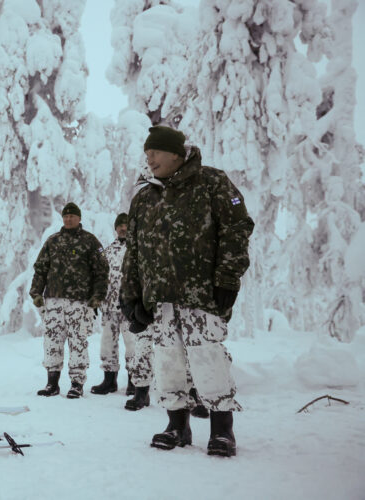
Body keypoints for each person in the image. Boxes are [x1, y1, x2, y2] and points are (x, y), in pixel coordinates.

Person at [120, 126, 254, 457]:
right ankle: (176, 425)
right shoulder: (144, 197)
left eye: (155, 152)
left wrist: (227, 277)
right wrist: (131, 296)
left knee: (208, 357)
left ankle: (222, 430)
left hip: (202, 295)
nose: (148, 159)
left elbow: (237, 227)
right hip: (160, 300)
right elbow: (134, 250)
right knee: (167, 360)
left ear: (177, 154)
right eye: (146, 153)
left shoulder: (212, 183)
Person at [30, 202, 109, 399]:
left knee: (78, 343)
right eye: (65, 216)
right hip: (54, 301)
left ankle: (76, 383)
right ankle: (52, 383)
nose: (68, 219)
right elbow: (40, 268)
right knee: (52, 342)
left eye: (72, 216)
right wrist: (36, 293)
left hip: (79, 302)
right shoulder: (53, 241)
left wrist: (97, 297)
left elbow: (101, 271)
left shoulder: (90, 242)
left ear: (79, 218)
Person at [91, 213, 155, 413]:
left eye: (126, 225)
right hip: (109, 307)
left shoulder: (138, 250)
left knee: (132, 346)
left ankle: (134, 382)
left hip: (130, 307)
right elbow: (99, 276)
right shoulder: (108, 251)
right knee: (107, 345)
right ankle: (109, 381)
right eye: (119, 226)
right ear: (115, 228)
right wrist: (96, 298)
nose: (123, 228)